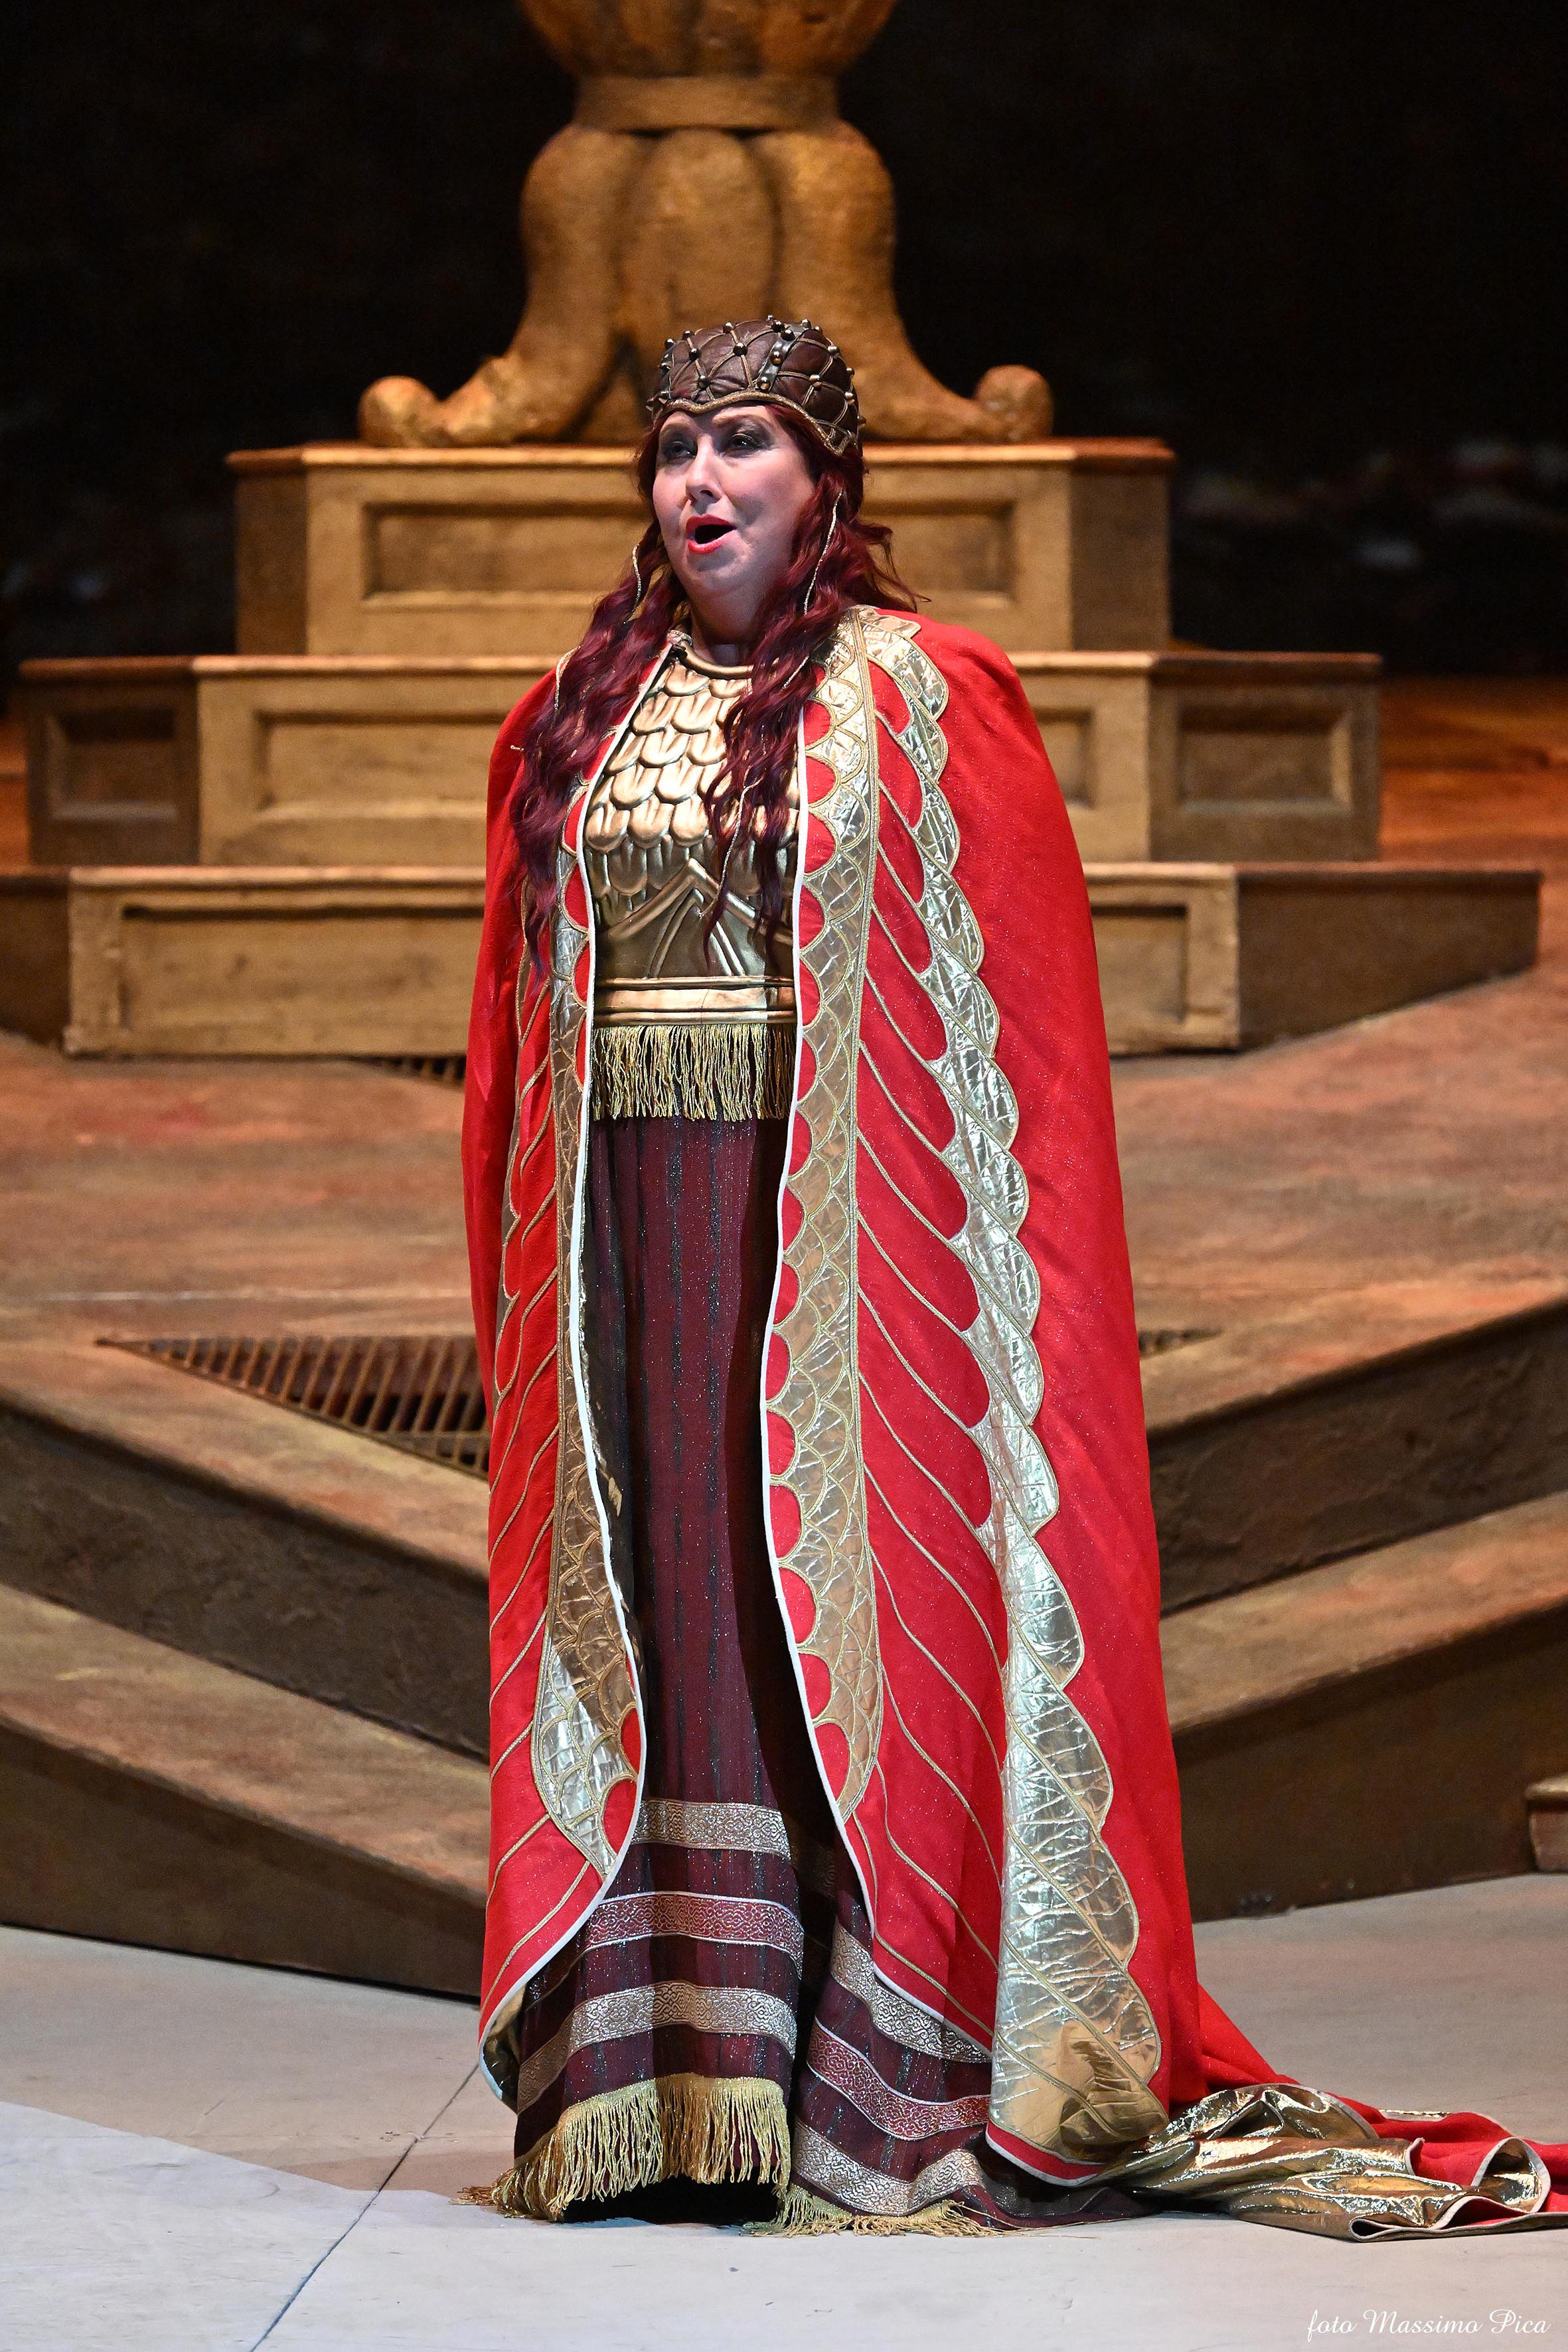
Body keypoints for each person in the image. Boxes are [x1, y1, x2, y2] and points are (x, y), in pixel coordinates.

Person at [461, 318, 1565, 2236]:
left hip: (840, 1245)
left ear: (825, 477)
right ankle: (675, 2073)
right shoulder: (575, 705)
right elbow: (513, 1026)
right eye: (675, 450)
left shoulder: (925, 692)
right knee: (666, 1607)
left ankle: (861, 2064)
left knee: (817, 1615)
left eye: (744, 443)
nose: (702, 482)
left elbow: (1013, 1046)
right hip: (624, 1243)